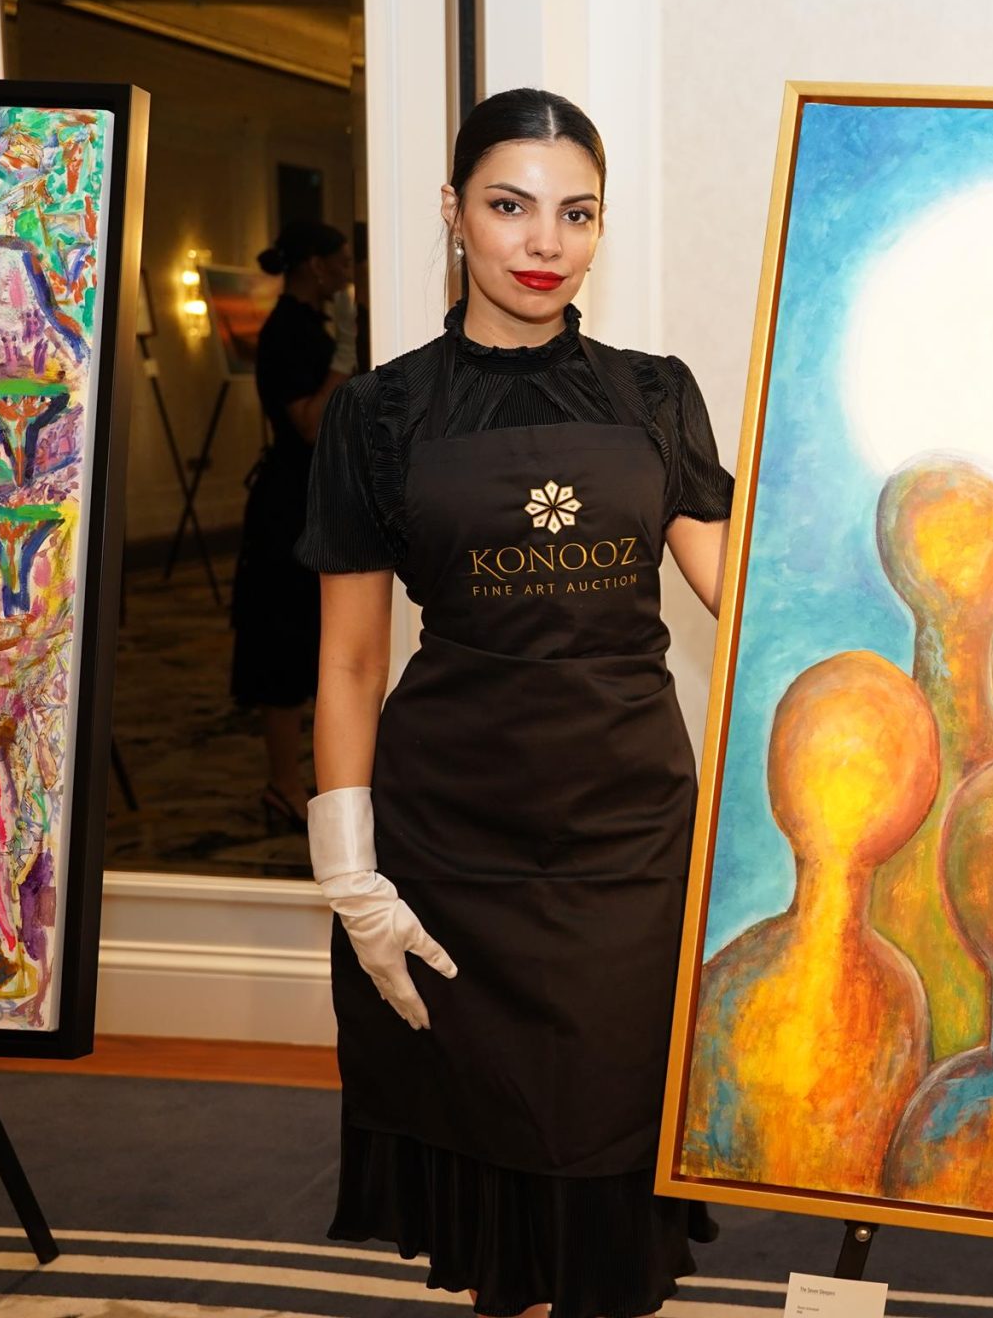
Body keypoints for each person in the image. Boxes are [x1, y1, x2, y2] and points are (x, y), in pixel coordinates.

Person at [298, 88, 735, 1318]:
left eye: (576, 214)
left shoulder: (655, 397)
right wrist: (347, 870)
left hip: (628, 829)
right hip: (455, 833)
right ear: (454, 213)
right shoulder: (378, 414)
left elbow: (746, 602)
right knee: (491, 1130)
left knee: (610, 1123)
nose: (545, 243)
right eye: (510, 206)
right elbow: (349, 664)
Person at [232, 219, 356, 832]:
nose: (349, 271)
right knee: (280, 645)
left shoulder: (310, 323)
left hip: (312, 499)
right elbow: (309, 422)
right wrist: (344, 361)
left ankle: (308, 781)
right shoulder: (286, 330)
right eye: (342, 260)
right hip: (287, 509)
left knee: (311, 640)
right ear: (314, 265)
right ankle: (284, 783)